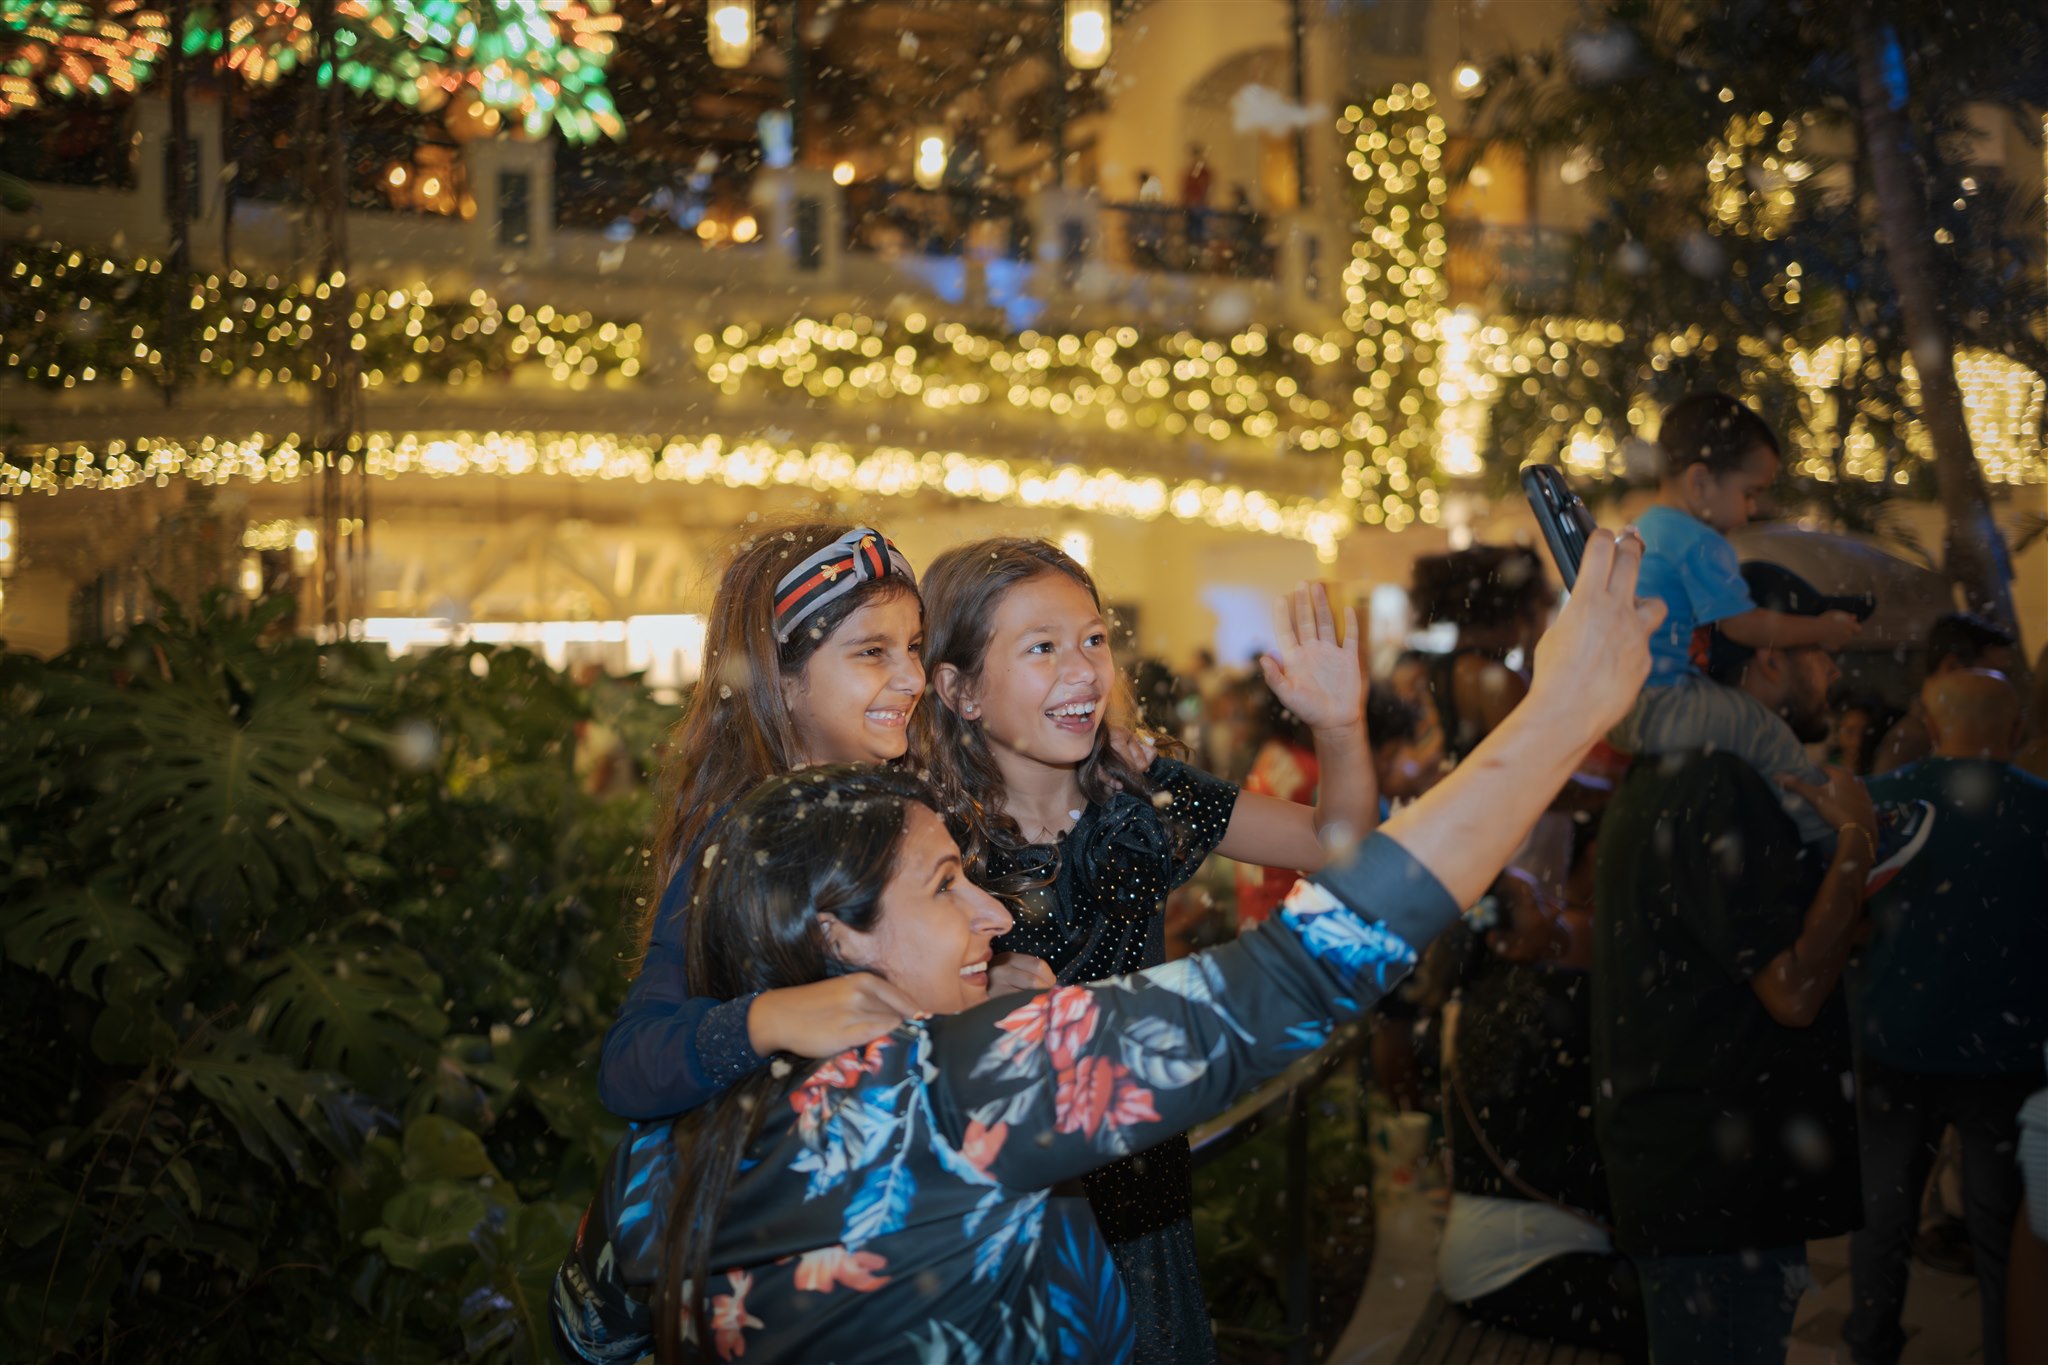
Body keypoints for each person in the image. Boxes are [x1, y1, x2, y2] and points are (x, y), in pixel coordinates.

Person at [550, 530, 1664, 1363]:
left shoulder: (973, 798)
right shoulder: (795, 874)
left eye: (1091, 641)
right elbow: (1289, 979)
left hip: (1069, 1200)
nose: (987, 911)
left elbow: (597, 1314)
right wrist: (777, 1021)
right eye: (946, 888)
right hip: (973, 1206)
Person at [914, 542, 1374, 1365]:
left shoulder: (1145, 799)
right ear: (959, 689)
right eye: (1042, 647)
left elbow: (1334, 844)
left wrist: (1339, 726)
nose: (1083, 669)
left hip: (1137, 1197)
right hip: (985, 1215)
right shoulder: (923, 842)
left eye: (1094, 639)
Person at [595, 524, 1050, 1123]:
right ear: (780, 681)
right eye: (871, 651)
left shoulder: (900, 803)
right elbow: (631, 1065)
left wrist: (971, 981)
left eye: (913, 646)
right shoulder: (749, 836)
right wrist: (772, 1019)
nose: (913, 677)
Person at [1593, 559, 1875, 1365]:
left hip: (1703, 1178)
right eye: (1823, 651)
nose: (1836, 674)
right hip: (1713, 1192)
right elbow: (1790, 990)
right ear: (1772, 658)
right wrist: (1856, 842)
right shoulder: (1718, 784)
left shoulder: (1694, 771)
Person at [1844, 669, 2048, 1365]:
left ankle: (1869, 1350)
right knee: (2000, 1232)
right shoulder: (2042, 808)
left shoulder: (1883, 801)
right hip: (2007, 1054)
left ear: (1930, 728)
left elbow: (1845, 912)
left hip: (1896, 1042)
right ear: (2016, 731)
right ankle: (2007, 1348)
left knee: (1881, 1221)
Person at [1610, 393, 1884, 849]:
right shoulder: (1698, 541)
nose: (1753, 509)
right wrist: (1823, 630)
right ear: (1699, 482)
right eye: (1749, 493)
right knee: (1763, 730)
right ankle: (1831, 836)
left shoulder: (1645, 530)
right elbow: (1746, 626)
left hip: (1621, 702)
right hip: (1661, 702)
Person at [1439, 822, 1648, 1363]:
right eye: (1536, 900)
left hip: (1500, 1256)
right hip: (1516, 1266)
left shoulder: (1488, 999)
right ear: (1503, 934)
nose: (1556, 909)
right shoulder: (1552, 1005)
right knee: (1693, 1322)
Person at [1408, 545, 1555, 767]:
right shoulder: (1498, 679)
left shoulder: (1442, 667)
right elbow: (1531, 769)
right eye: (1541, 608)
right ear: (1519, 611)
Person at [1869, 612, 2023, 774]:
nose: (2004, 685)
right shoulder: (1912, 742)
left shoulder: (1919, 736)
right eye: (1994, 673)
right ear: (1952, 666)